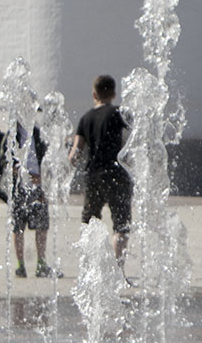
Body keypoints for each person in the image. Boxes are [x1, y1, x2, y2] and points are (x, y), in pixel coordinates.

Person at [69, 75, 132, 269]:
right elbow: (134, 138)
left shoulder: (85, 118)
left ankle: (90, 270)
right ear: (113, 93)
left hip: (93, 176)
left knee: (89, 223)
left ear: (94, 94)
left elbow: (74, 154)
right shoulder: (119, 113)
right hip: (117, 174)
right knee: (120, 225)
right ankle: (117, 272)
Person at [8, 122, 57, 277]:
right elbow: (5, 162)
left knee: (42, 226)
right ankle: (20, 265)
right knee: (18, 227)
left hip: (38, 188)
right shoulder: (11, 135)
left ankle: (41, 263)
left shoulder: (37, 133)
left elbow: (47, 161)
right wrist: (24, 174)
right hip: (19, 189)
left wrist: (43, 182)